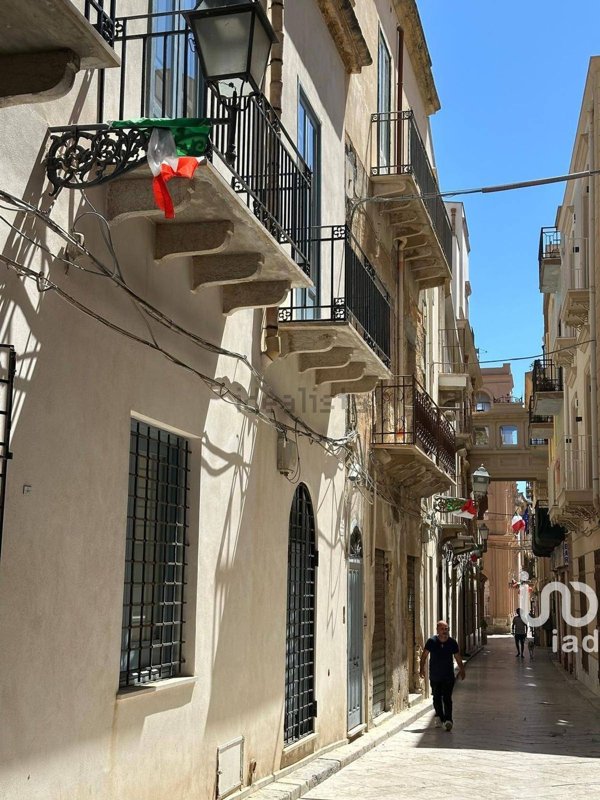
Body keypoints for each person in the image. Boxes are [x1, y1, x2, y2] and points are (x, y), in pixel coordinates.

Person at [419, 620, 465, 731]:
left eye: (446, 629)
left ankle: (448, 720)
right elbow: (424, 656)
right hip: (435, 675)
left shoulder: (452, 643)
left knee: (447, 698)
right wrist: (421, 669)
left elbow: (458, 657)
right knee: (436, 697)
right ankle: (439, 716)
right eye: (442, 629)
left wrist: (462, 669)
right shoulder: (432, 642)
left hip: (448, 676)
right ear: (437, 630)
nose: (445, 631)